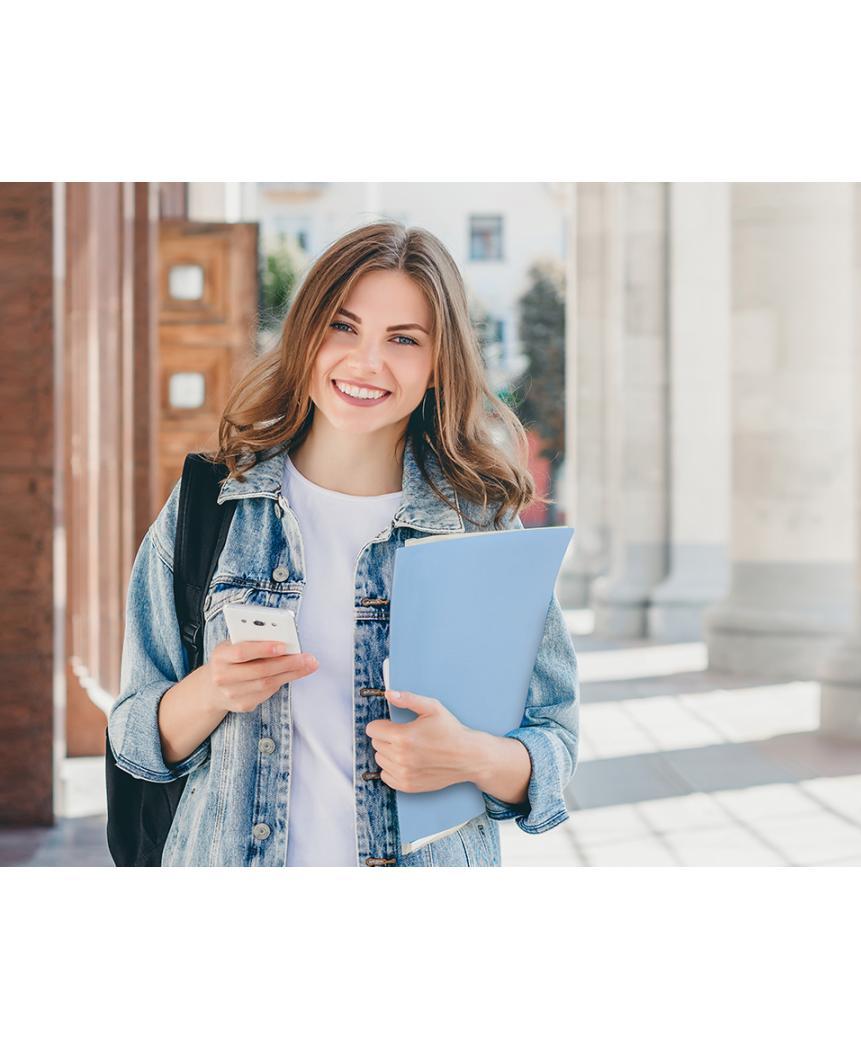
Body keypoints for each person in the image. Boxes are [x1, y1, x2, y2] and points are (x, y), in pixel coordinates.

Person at [107, 220, 579, 867]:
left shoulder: (479, 524)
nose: (367, 361)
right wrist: (211, 690)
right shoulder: (211, 505)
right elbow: (132, 733)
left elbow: (554, 738)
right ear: (306, 334)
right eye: (343, 326)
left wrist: (473, 757)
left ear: (439, 362)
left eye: (404, 339)